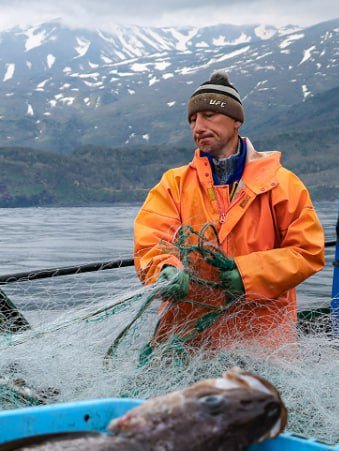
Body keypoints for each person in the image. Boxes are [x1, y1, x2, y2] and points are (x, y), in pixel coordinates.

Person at [133, 71, 326, 351]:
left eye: (209, 115)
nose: (198, 126)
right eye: (192, 119)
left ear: (236, 121)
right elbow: (151, 240)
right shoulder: (173, 184)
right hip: (186, 342)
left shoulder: (282, 184)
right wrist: (164, 268)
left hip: (261, 342)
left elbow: (308, 251)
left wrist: (247, 274)